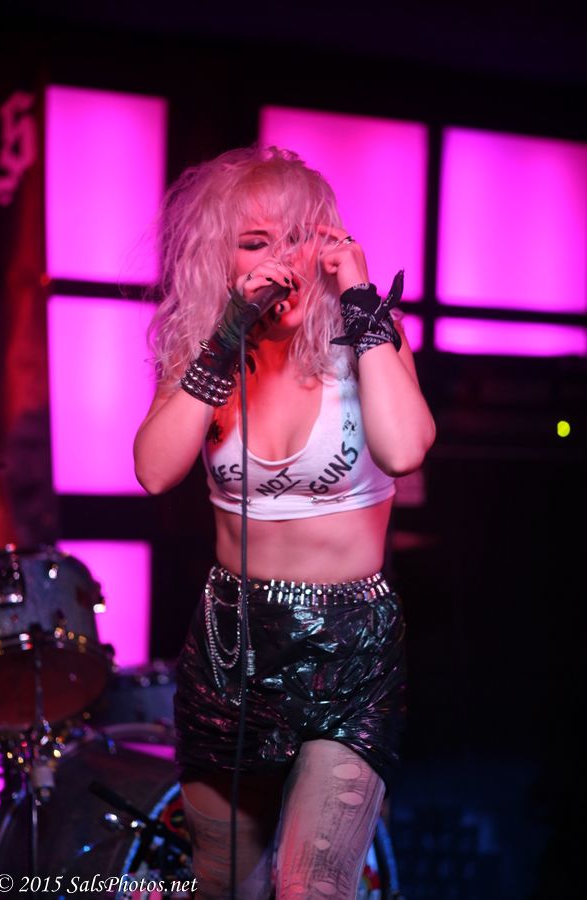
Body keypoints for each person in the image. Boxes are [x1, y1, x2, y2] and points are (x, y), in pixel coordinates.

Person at [134, 145, 435, 899]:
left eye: (298, 237)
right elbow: (154, 470)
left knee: (312, 887)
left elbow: (405, 449)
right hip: (231, 647)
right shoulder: (202, 356)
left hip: (352, 652)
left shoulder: (369, 339)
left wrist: (359, 293)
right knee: (222, 885)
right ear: (221, 261)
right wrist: (226, 334)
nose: (282, 260)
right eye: (255, 242)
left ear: (327, 245)